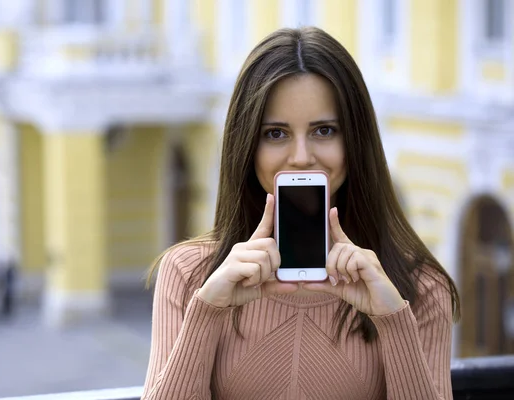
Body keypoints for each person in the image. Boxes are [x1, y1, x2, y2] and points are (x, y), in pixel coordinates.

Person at [142, 27, 460, 400]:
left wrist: (393, 320)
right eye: (276, 133)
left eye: (324, 130)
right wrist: (208, 309)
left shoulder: (420, 289)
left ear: (355, 142)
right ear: (246, 146)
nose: (301, 157)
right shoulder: (188, 273)